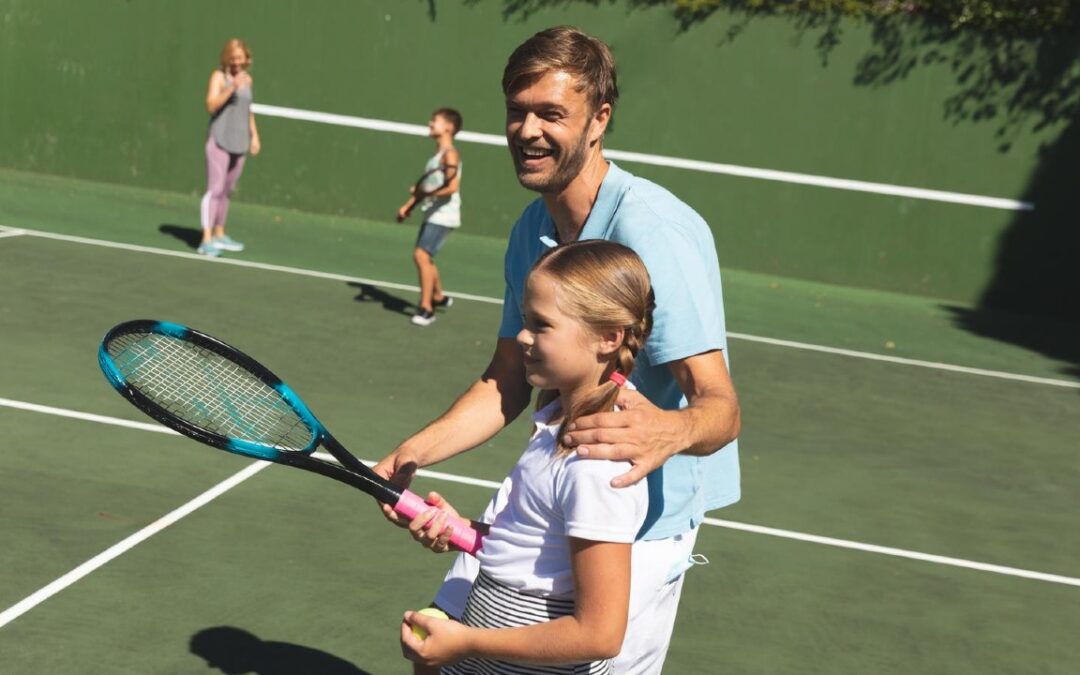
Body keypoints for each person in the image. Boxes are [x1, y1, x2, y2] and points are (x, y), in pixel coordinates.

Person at [376, 26, 741, 673]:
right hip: (549, 497)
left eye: (551, 113)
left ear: (599, 118)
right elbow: (509, 378)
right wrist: (413, 452)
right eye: (518, 111)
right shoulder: (531, 230)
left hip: (638, 528)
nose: (527, 129)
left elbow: (720, 408)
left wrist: (666, 430)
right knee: (439, 657)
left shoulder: (653, 233)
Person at [400, 240, 653, 673]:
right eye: (524, 320)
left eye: (541, 325)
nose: (522, 336)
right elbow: (535, 556)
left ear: (607, 338)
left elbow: (600, 633)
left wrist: (466, 642)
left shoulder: (597, 465)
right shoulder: (557, 421)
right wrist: (464, 531)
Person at [397, 108, 463, 326]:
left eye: (434, 121)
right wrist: (408, 206)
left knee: (421, 256)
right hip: (434, 213)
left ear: (448, 127)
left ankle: (426, 309)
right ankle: (438, 296)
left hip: (444, 215)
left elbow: (452, 187)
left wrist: (426, 193)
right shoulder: (437, 155)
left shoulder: (450, 154)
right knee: (426, 257)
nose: (430, 123)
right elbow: (427, 187)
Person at [199, 38, 260, 257]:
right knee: (214, 190)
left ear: (245, 58)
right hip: (219, 140)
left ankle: (219, 233)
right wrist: (231, 87)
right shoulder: (218, 77)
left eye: (240, 57)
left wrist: (254, 135)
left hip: (240, 142)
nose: (236, 61)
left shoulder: (248, 80)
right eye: (232, 57)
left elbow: (247, 109)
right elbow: (211, 105)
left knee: (227, 191)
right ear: (226, 57)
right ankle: (206, 240)